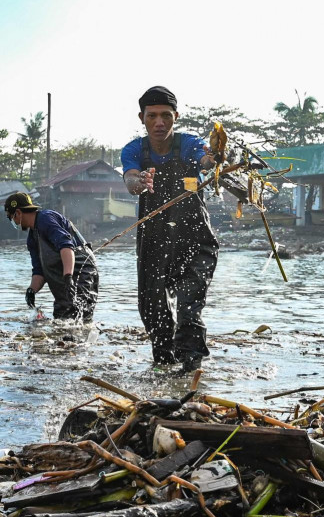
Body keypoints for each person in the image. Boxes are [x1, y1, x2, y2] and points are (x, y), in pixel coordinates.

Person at [121, 86, 219, 372]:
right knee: (153, 312)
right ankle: (164, 378)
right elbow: (130, 181)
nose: (159, 122)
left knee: (189, 309)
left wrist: (214, 156)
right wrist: (139, 182)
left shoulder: (188, 144)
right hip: (154, 244)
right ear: (142, 118)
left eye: (166, 115)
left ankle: (192, 377)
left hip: (196, 242)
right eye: (152, 116)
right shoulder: (134, 150)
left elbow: (206, 159)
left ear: (175, 116)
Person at [4, 192, 98, 320]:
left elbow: (66, 246)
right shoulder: (32, 239)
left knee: (80, 310)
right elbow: (39, 270)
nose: (13, 222)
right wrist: (32, 290)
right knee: (62, 315)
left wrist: (68, 277)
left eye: (11, 217)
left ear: (18, 213)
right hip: (63, 275)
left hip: (81, 268)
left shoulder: (45, 218)